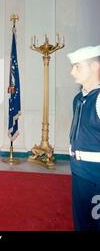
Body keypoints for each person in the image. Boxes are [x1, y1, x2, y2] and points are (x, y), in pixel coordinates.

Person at [67, 45, 100, 231]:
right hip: (79, 172)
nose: (72, 72)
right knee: (82, 225)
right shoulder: (78, 98)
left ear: (95, 66)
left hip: (96, 175)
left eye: (77, 66)